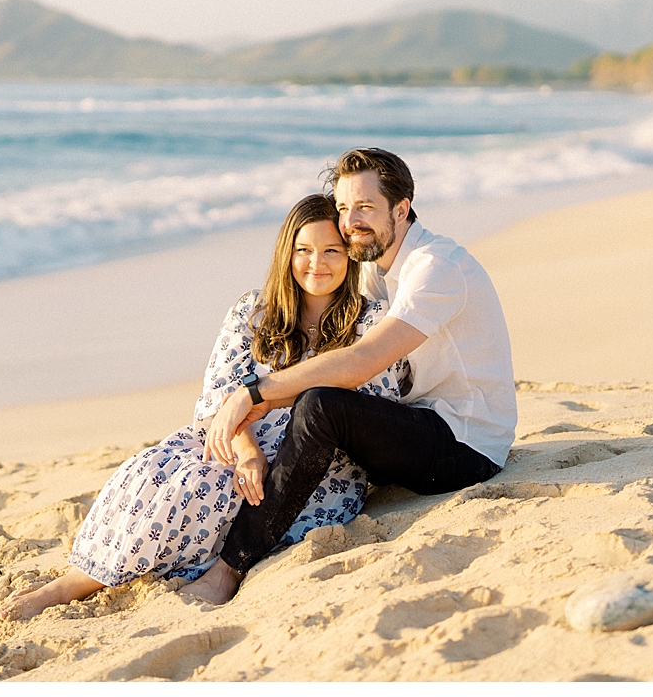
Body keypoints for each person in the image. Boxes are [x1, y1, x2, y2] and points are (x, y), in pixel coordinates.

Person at [0, 193, 406, 620]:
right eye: (303, 250)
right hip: (235, 437)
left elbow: (367, 405)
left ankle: (72, 589)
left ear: (349, 257)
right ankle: (89, 572)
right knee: (148, 470)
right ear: (287, 253)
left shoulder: (370, 320)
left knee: (204, 490)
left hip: (317, 461)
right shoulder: (255, 310)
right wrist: (247, 452)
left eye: (331, 251)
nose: (315, 263)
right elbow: (219, 392)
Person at [182, 147, 518, 606]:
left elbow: (364, 360)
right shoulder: (375, 269)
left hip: (465, 443)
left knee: (321, 405)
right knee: (308, 409)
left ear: (401, 209)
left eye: (365, 207)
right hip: (417, 423)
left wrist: (254, 393)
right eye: (343, 207)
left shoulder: (436, 268)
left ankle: (229, 567)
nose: (350, 220)